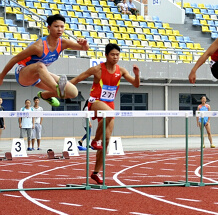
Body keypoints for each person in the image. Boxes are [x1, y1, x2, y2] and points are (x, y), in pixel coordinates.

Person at [69, 43, 140, 184]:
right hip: (95, 101)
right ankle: (95, 140)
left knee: (106, 140)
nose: (115, 57)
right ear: (106, 55)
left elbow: (136, 85)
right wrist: (62, 89)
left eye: (117, 55)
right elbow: (77, 79)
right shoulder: (97, 69)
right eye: (112, 54)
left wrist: (137, 75)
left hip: (109, 104)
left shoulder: (122, 70)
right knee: (108, 115)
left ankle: (96, 172)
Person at [0, 14, 89, 107]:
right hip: (24, 74)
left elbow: (84, 48)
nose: (59, 29)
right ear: (49, 28)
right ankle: (57, 89)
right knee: (40, 65)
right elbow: (14, 59)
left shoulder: (63, 43)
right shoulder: (38, 46)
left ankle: (45, 95)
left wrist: (85, 43)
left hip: (40, 75)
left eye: (62, 27)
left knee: (73, 92)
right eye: (56, 26)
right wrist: (1, 77)